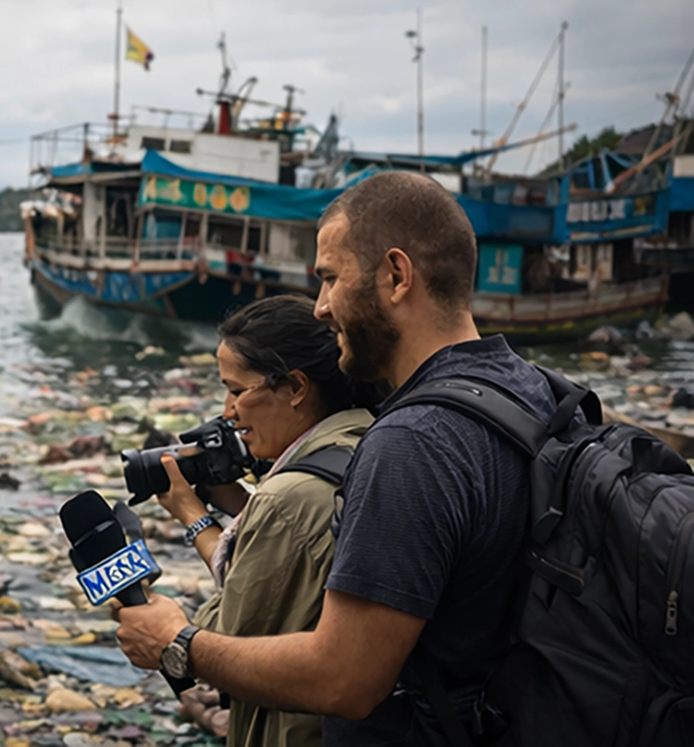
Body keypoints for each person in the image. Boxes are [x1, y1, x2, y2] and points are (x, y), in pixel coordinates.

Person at [116, 170, 560, 745]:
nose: (321, 308)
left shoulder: (412, 444)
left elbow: (344, 680)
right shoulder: (532, 388)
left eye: (329, 279)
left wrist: (179, 646)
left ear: (397, 276)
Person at [155, 294, 377, 746]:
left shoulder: (287, 498)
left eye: (237, 390)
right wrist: (241, 508)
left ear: (295, 388)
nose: (227, 411)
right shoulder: (370, 440)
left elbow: (225, 638)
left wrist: (194, 517)